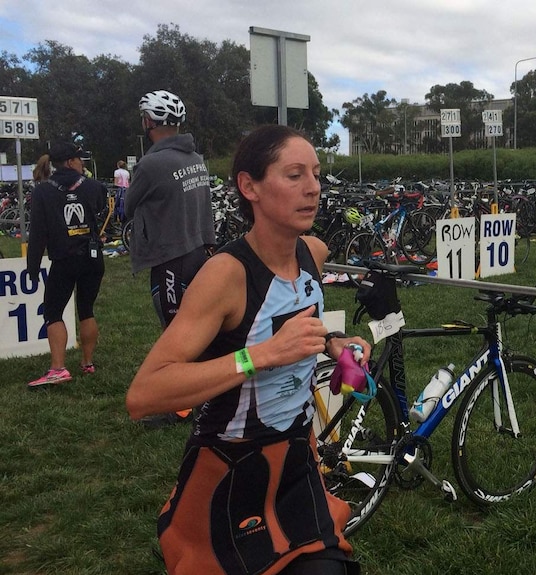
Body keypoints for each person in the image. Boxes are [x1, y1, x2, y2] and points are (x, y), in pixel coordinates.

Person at [126, 124, 367, 575]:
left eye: (315, 174)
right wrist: (259, 356)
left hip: (297, 463)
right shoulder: (226, 275)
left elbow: (293, 321)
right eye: (294, 175)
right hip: (230, 470)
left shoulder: (312, 252)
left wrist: (334, 343)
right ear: (248, 186)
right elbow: (145, 395)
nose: (313, 187)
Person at [125, 90, 215, 428]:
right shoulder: (195, 158)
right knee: (198, 329)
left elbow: (129, 206)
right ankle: (202, 399)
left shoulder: (151, 163)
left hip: (169, 258)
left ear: (149, 122)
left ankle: (184, 406)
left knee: (175, 335)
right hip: (198, 252)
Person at [26, 142, 107, 388]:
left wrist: (32, 266)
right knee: (87, 309)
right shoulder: (95, 187)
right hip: (92, 258)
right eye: (80, 160)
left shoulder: (42, 191)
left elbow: (38, 233)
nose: (82, 163)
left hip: (63, 259)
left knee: (53, 312)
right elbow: (101, 212)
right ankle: (87, 362)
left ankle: (58, 368)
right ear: (71, 162)